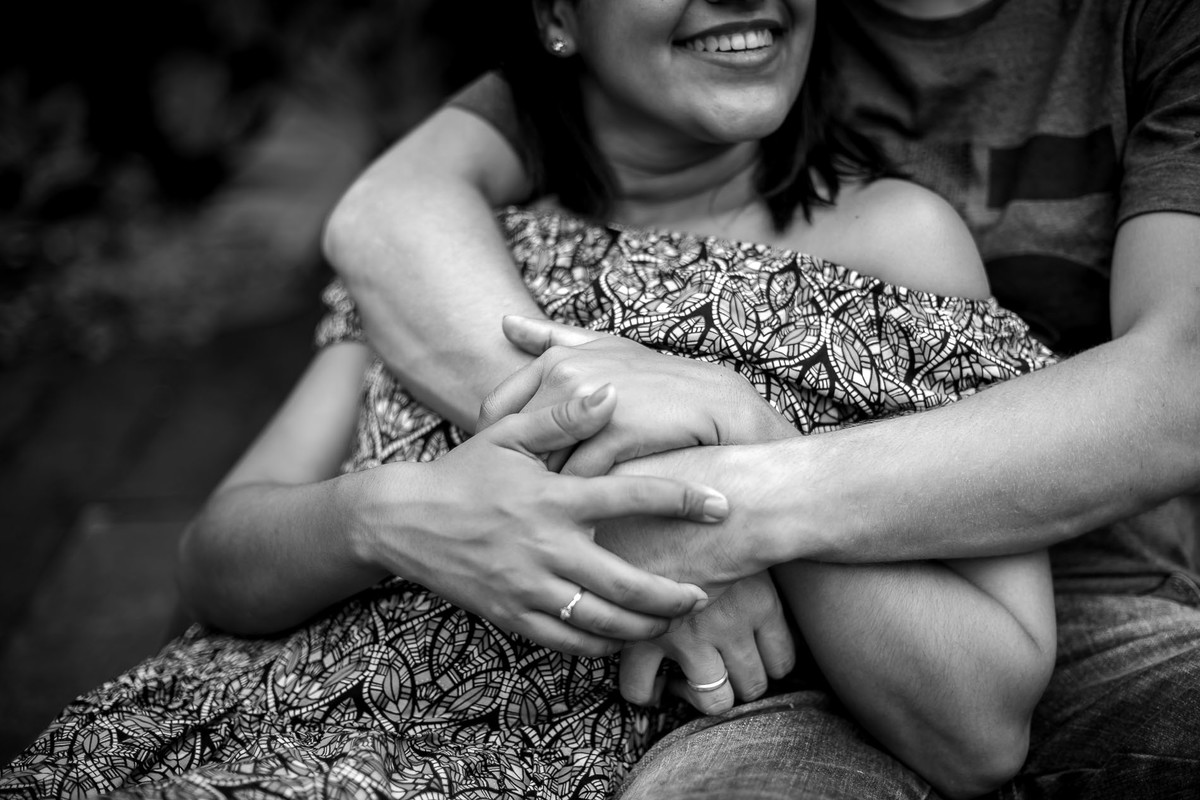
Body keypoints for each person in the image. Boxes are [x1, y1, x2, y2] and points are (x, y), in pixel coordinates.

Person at [0, 1, 1062, 798]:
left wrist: (744, 446)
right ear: (558, 12)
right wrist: (387, 515)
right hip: (224, 735)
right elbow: (211, 568)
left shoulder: (893, 247)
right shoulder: (460, 251)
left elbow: (982, 724)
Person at [321, 0, 1200, 797]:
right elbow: (392, 208)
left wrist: (719, 497)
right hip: (795, 642)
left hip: (1065, 594)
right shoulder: (677, 61)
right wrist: (574, 451)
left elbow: (1183, 378)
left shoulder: (1152, 24)